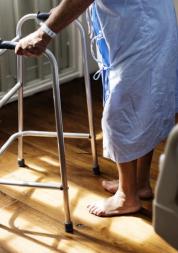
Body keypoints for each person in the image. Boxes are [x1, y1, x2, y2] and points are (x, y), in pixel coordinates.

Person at [15, 0, 178, 217]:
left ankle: (126, 197)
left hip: (141, 29)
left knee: (123, 111)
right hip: (147, 22)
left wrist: (44, 33)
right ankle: (138, 184)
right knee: (143, 105)